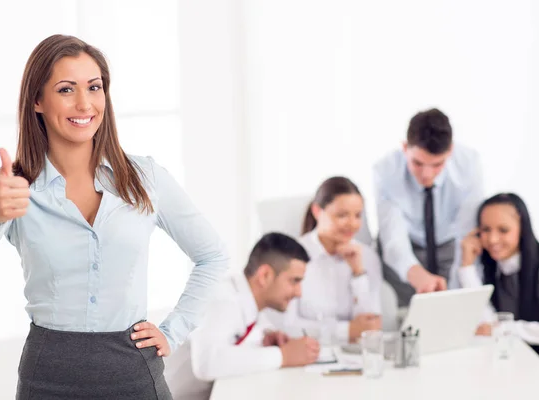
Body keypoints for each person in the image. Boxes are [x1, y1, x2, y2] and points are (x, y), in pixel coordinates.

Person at [0, 34, 229, 399]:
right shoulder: (13, 185)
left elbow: (212, 255)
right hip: (47, 376)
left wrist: (174, 329)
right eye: (67, 89)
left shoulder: (145, 178)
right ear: (37, 100)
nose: (85, 103)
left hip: (133, 371)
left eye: (95, 87)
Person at [163, 232, 318, 400]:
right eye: (294, 281)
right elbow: (206, 363)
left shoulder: (245, 300)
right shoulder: (223, 300)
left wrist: (265, 337)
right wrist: (283, 356)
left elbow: (235, 336)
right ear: (264, 275)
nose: (299, 292)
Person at [373, 108, 484, 306]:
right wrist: (416, 274)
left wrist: (458, 290)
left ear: (450, 150)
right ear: (405, 147)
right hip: (407, 247)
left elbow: (466, 236)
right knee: (409, 313)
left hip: (449, 245)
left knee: (455, 305)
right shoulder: (385, 170)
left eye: (437, 164)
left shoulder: (469, 164)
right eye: (418, 163)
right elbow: (393, 239)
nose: (427, 174)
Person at [276, 177, 382, 344]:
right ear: (317, 211)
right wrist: (346, 331)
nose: (352, 224)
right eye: (342, 215)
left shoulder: (367, 256)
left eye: (357, 215)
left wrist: (358, 273)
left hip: (355, 357)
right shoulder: (291, 256)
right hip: (308, 355)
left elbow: (371, 326)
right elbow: (288, 325)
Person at [459, 193, 539, 357]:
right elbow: (487, 324)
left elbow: (496, 328)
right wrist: (467, 267)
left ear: (522, 230)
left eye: (503, 230)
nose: (492, 239)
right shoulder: (495, 269)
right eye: (485, 230)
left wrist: (506, 328)